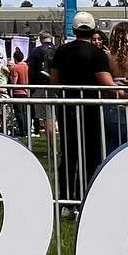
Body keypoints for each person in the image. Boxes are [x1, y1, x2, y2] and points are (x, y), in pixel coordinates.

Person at [50, 12, 113, 208]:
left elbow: (54, 80)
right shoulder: (97, 54)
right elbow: (105, 82)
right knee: (92, 153)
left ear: (74, 29)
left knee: (69, 153)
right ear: (93, 30)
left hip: (67, 107)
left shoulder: (61, 51)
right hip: (91, 108)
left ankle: (66, 199)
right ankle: (88, 197)